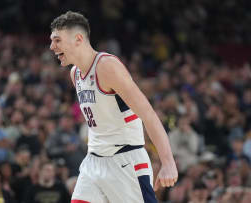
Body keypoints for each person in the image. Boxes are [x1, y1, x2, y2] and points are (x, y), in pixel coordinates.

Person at [49, 11, 178, 202]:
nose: (52, 47)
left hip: (125, 161)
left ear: (78, 39)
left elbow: (148, 114)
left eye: (57, 40)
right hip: (94, 162)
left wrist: (167, 162)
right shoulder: (75, 74)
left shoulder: (107, 66)